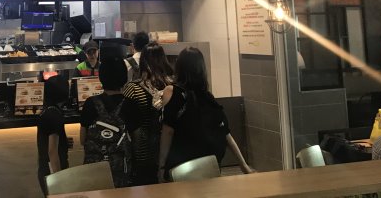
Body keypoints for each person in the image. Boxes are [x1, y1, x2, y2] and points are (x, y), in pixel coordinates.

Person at [158, 47, 253, 181]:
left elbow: (168, 132)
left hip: (182, 166)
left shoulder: (171, 91)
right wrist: (244, 166)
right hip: (209, 164)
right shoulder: (208, 97)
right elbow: (226, 133)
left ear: (179, 67)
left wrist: (161, 166)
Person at [80, 58, 140, 187]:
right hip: (122, 172)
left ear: (101, 77)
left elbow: (82, 139)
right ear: (124, 77)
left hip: (94, 171)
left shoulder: (90, 103)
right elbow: (137, 141)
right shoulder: (131, 105)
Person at [122, 41, 173, 186]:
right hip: (170, 152)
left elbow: (125, 121)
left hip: (143, 154)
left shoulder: (133, 89)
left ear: (143, 62)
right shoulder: (174, 87)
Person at [37, 74, 70, 196]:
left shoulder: (47, 110)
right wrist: (58, 178)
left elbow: (47, 140)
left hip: (44, 168)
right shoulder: (55, 115)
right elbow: (52, 151)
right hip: (51, 171)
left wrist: (64, 141)